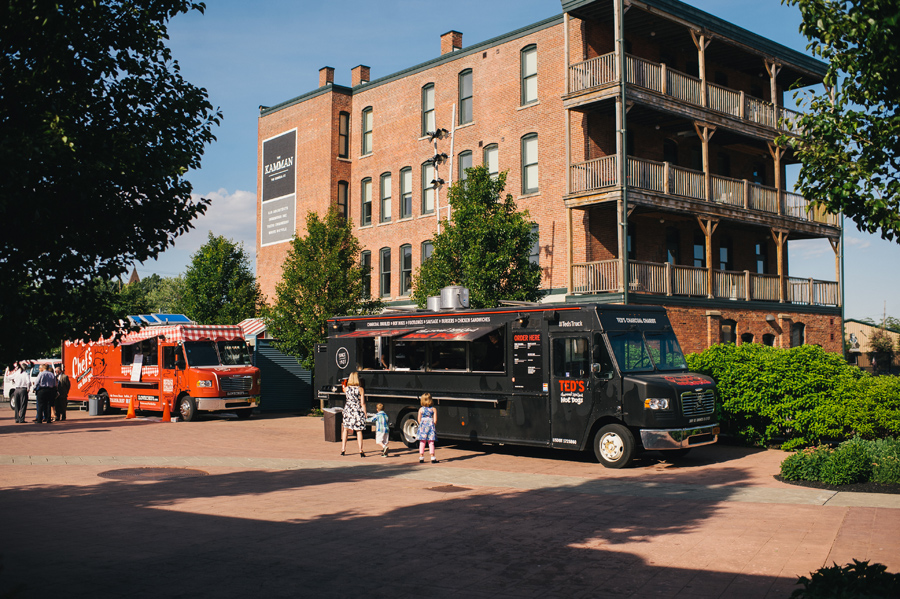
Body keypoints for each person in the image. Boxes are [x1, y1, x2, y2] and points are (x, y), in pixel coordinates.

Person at [341, 371, 367, 457]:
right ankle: (360, 450)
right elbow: (362, 403)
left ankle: (343, 449)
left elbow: (343, 388)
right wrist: (365, 413)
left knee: (345, 430)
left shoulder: (346, 389)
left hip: (348, 410)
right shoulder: (360, 389)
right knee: (359, 431)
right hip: (356, 411)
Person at [417, 392, 437, 464]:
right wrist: (432, 425)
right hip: (430, 426)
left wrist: (421, 425)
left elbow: (419, 419)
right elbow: (435, 420)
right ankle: (432, 457)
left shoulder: (421, 409)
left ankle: (421, 457)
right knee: (431, 442)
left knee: (422, 442)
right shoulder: (433, 409)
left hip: (423, 426)